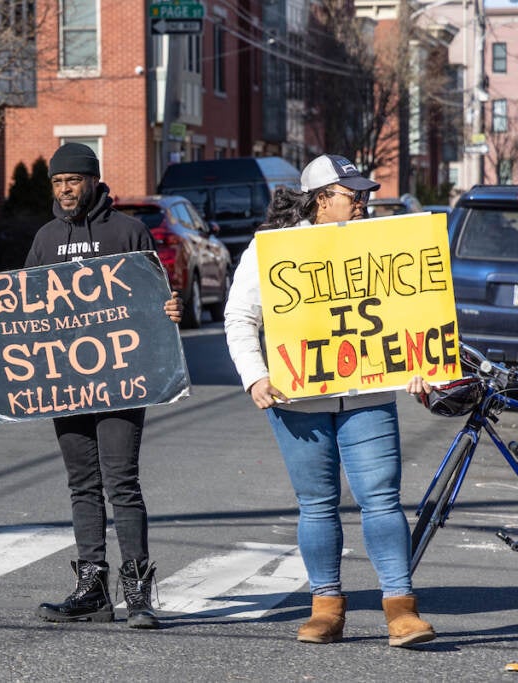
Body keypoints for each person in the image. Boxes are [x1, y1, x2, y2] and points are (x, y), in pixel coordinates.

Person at [0, 142, 182, 629]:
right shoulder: (46, 239)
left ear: (93, 180)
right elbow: (21, 313)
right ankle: (93, 590)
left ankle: (137, 591)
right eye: (57, 182)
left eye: (72, 180)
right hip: (65, 382)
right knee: (82, 484)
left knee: (122, 482)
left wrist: (169, 311)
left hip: (122, 382)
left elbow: (152, 297)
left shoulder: (129, 231)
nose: (65, 189)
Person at [223, 153, 437, 648]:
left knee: (381, 499)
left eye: (365, 195)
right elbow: (239, 318)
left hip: (369, 394)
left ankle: (401, 609)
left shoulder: (382, 245)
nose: (363, 203)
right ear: (322, 200)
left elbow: (412, 310)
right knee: (316, 505)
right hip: (297, 399)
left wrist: (421, 366)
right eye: (353, 195)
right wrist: (255, 377)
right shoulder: (273, 250)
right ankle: (326, 608)